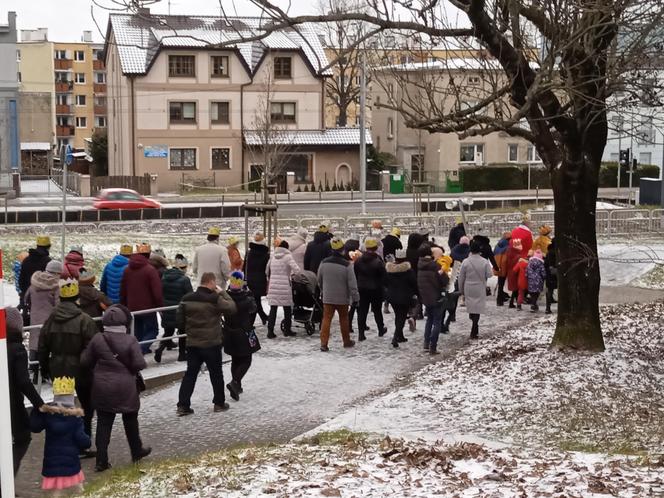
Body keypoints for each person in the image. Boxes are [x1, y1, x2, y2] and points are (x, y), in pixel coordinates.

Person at [81, 304, 151, 472]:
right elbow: (139, 364)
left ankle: (101, 460)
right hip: (126, 387)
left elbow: (85, 362)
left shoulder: (98, 339)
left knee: (104, 423)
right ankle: (136, 451)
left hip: (102, 386)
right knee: (130, 419)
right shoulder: (130, 340)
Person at [38, 279, 99, 445]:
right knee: (86, 405)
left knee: (63, 407)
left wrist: (44, 368)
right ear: (77, 298)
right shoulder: (85, 320)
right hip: (82, 370)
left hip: (58, 370)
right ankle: (84, 440)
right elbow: (94, 346)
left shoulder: (51, 319)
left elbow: (42, 346)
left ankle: (64, 441)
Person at [176, 272, 237, 416]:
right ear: (210, 282)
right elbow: (232, 308)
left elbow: (179, 321)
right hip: (211, 343)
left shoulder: (186, 299)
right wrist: (223, 293)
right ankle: (219, 403)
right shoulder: (214, 298)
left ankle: (183, 405)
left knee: (190, 374)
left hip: (193, 343)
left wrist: (190, 330)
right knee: (216, 374)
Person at [30, 376, 91, 492]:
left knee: (56, 492)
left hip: (52, 463)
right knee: (79, 489)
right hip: (70, 462)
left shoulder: (48, 416)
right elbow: (83, 441)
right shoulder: (75, 419)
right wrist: (87, 440)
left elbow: (35, 427)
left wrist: (37, 409)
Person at [6, 306, 45, 477]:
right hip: (12, 405)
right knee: (22, 438)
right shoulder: (17, 349)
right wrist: (39, 403)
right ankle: (7, 481)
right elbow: (23, 381)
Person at [120, 243, 164, 354]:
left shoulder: (127, 269)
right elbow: (157, 292)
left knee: (137, 332)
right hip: (147, 307)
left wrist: (124, 304)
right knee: (152, 330)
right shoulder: (150, 270)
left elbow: (123, 289)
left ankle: (135, 352)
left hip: (132, 307)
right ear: (149, 254)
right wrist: (160, 306)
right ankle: (139, 351)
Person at [317, 236, 359, 352]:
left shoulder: (323, 263)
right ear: (343, 250)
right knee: (344, 319)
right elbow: (352, 284)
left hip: (328, 297)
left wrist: (322, 290)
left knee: (326, 319)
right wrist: (355, 298)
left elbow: (319, 279)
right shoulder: (347, 265)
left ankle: (324, 343)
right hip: (342, 298)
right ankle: (346, 341)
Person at [224, 271, 260, 401]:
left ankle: (237, 386)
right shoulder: (247, 297)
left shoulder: (226, 298)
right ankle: (235, 382)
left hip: (229, 331)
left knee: (235, 359)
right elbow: (253, 309)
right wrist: (249, 292)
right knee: (247, 359)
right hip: (245, 331)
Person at [25, 259, 62, 378]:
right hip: (50, 321)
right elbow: (58, 305)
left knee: (34, 343)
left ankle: (34, 369)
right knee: (48, 345)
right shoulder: (57, 286)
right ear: (57, 273)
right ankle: (45, 372)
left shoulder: (35, 282)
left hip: (35, 319)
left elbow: (26, 299)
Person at [155, 255, 193, 363]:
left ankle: (160, 349)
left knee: (168, 332)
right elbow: (190, 295)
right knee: (182, 333)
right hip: (180, 310)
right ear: (183, 268)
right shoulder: (185, 280)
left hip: (167, 309)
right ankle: (182, 354)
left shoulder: (164, 277)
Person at [417, 244, 449, 355]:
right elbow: (444, 280)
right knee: (437, 321)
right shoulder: (435, 266)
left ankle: (426, 343)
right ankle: (433, 347)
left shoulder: (420, 266)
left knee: (429, 320)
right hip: (436, 297)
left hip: (425, 297)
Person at [458, 241, 493, 339]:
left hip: (468, 286)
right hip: (480, 286)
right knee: (477, 307)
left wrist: (461, 290)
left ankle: (473, 322)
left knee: (471, 306)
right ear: (479, 251)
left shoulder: (466, 261)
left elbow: (461, 277)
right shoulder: (484, 261)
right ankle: (475, 326)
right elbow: (490, 274)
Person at [354, 237, 387, 341]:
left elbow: (355, 274)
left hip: (362, 289)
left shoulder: (358, 261)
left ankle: (361, 333)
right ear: (375, 248)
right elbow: (384, 276)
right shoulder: (378, 261)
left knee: (362, 311)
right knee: (377, 310)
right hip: (376, 289)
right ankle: (381, 329)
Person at [266, 240, 300, 338]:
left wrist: (271, 278)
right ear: (287, 248)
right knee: (287, 308)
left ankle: (270, 332)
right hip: (285, 285)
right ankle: (287, 330)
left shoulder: (273, 256)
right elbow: (297, 270)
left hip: (273, 285)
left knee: (273, 308)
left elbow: (267, 269)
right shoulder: (288, 257)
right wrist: (291, 274)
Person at [385, 249, 418, 348]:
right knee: (402, 317)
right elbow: (414, 284)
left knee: (398, 316)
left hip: (393, 297)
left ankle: (400, 336)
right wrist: (416, 294)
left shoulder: (390, 270)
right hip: (405, 297)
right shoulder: (409, 271)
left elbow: (385, 282)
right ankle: (395, 337)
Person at [19, 235, 52, 323]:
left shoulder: (26, 260)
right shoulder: (48, 262)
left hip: (27, 297)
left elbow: (21, 281)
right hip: (42, 300)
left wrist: (24, 294)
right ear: (48, 247)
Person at [244, 232, 270, 325]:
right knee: (256, 300)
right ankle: (252, 322)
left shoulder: (249, 252)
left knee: (255, 299)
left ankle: (262, 317)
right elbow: (267, 269)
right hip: (260, 280)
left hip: (250, 279)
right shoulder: (266, 254)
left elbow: (244, 267)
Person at [493, 232, 512, 306]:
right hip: (506, 266)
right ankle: (512, 301)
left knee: (500, 284)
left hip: (498, 266)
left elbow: (493, 253)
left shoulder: (497, 245)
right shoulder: (509, 246)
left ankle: (499, 300)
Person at [506, 238, 524, 308]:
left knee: (514, 288)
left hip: (510, 271)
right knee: (517, 288)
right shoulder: (518, 255)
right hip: (516, 272)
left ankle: (513, 302)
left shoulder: (509, 251)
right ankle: (516, 303)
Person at [544, 238, 558, 314]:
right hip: (556, 274)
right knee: (560, 290)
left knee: (549, 290)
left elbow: (545, 264)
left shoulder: (549, 252)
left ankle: (547, 308)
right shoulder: (557, 252)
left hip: (549, 274)